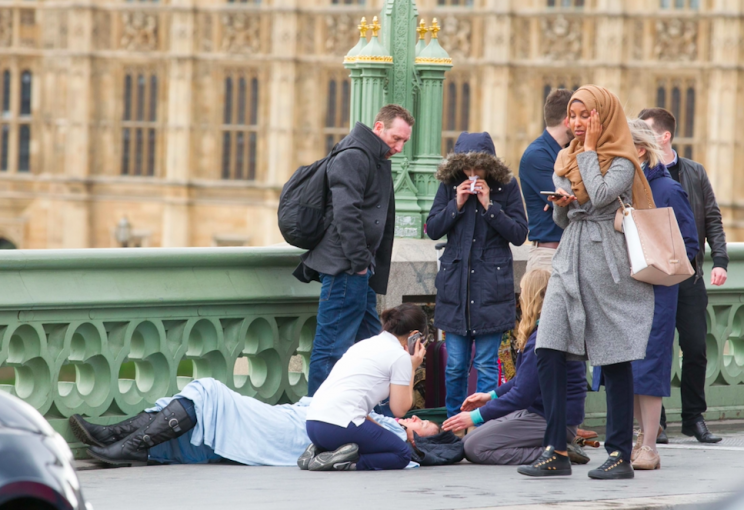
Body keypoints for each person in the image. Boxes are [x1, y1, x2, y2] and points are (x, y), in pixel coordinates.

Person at [517, 85, 655, 480]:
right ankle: (556, 448)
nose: (576, 124)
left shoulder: (623, 159)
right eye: (572, 117)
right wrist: (562, 205)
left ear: (602, 117)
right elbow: (569, 216)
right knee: (548, 348)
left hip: (607, 262)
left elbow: (598, 196)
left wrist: (590, 150)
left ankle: (619, 455)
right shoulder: (568, 156)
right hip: (570, 256)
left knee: (613, 359)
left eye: (585, 116)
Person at [592, 119, 698, 470]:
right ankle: (638, 436)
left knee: (649, 369)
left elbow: (689, 243)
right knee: (626, 367)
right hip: (622, 290)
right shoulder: (621, 188)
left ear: (638, 149)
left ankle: (650, 444)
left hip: (655, 291)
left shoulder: (666, 189)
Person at [294, 104, 415, 397]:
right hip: (345, 267)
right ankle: (315, 416)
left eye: (404, 142)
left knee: (374, 345)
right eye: (395, 139)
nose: (399, 148)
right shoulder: (354, 155)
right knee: (331, 347)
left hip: (357, 268)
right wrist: (360, 262)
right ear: (378, 128)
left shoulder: (372, 156)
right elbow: (345, 214)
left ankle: (371, 412)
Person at [69, 377, 439, 468]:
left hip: (289, 432)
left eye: (423, 425)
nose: (416, 417)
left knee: (210, 392)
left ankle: (125, 444)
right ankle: (119, 436)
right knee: (202, 403)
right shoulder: (384, 423)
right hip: (288, 417)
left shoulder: (394, 440)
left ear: (417, 439)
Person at [639, 107, 728, 444]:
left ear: (664, 137)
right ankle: (655, 423)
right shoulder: (638, 175)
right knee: (654, 351)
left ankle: (694, 418)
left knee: (695, 348)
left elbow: (713, 218)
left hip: (689, 275)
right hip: (653, 276)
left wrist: (720, 259)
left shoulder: (694, 172)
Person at [425, 132, 528, 419]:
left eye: (478, 168)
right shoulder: (449, 186)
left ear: (489, 166)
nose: (472, 174)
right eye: (466, 169)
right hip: (455, 290)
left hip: (490, 291)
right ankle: (453, 421)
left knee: (485, 364)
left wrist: (489, 206)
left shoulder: (506, 187)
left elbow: (519, 234)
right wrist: (455, 204)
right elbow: (432, 228)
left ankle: (482, 425)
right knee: (455, 365)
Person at [441, 269, 587, 466]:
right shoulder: (543, 330)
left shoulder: (545, 336)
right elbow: (524, 381)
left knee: (475, 447)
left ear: (532, 296)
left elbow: (522, 394)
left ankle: (556, 451)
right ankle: (554, 447)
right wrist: (490, 396)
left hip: (553, 419)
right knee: (467, 441)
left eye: (522, 291)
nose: (519, 298)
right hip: (537, 413)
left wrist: (474, 417)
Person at [303, 303, 427, 471]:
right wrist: (412, 367)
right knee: (402, 454)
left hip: (313, 424)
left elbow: (356, 403)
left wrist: (382, 433)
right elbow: (400, 409)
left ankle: (321, 451)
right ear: (414, 335)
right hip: (339, 426)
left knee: (386, 441)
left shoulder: (364, 344)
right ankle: (346, 463)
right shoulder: (400, 357)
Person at [519, 89, 574, 272]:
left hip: (571, 252)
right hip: (549, 256)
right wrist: (564, 199)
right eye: (577, 116)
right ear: (568, 120)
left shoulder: (569, 151)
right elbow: (571, 202)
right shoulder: (537, 155)